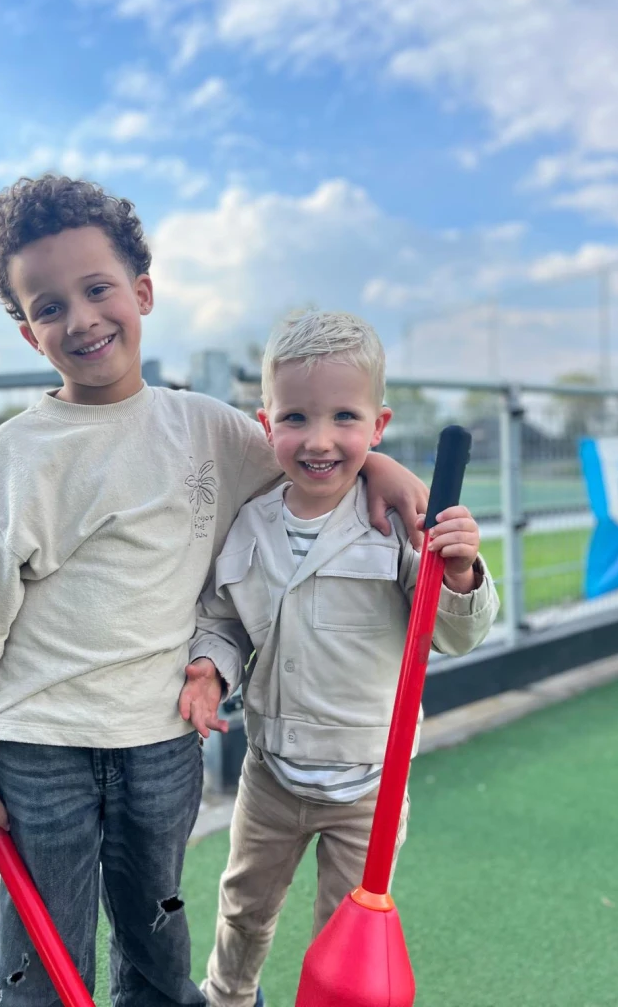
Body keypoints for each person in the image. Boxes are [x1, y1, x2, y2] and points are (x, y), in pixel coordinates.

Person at [0, 176, 428, 1006]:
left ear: (143, 293)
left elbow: (313, 448)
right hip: (39, 747)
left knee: (158, 945)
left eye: (98, 289)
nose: (81, 319)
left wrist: (379, 460)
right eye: (50, 306)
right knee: (42, 959)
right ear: (27, 332)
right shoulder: (17, 454)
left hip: (160, 744)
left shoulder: (208, 427)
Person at [180, 309, 499, 1007]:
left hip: (368, 787)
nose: (319, 440)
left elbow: (453, 634)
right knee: (243, 908)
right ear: (266, 423)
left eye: (344, 418)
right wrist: (211, 667)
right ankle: (229, 997)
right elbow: (226, 619)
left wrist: (464, 573)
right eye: (295, 417)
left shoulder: (401, 526)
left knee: (343, 930)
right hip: (271, 774)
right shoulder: (254, 522)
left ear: (378, 426)